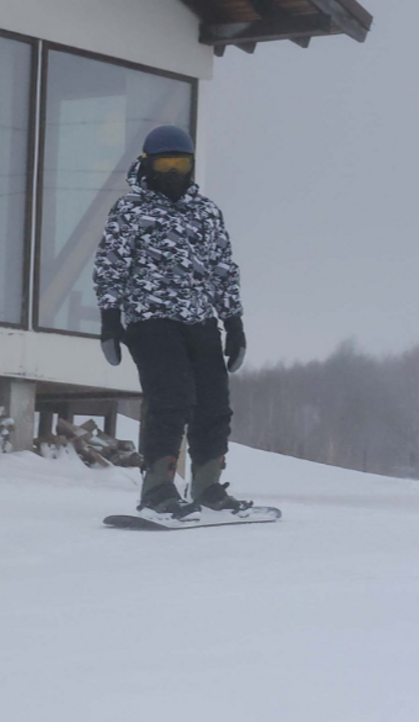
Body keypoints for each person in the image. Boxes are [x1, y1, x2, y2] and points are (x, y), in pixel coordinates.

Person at [95, 125, 249, 519]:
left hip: (200, 320)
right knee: (171, 397)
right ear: (147, 165)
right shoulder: (131, 210)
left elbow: (222, 269)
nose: (173, 173)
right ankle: (157, 490)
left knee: (214, 402)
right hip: (151, 319)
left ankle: (208, 487)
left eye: (181, 164)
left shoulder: (205, 212)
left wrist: (233, 323)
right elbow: (111, 265)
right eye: (165, 164)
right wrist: (110, 319)